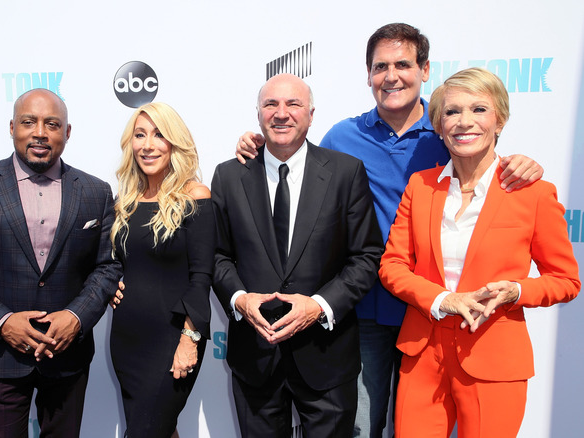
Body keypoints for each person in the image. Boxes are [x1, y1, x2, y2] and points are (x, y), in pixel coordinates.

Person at [234, 23, 544, 437]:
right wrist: (258, 146)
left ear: (425, 70)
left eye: (403, 64)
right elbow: (297, 163)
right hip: (363, 310)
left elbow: (487, 165)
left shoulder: (450, 130)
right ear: (368, 75)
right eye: (381, 67)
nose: (391, 76)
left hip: (437, 313)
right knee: (362, 427)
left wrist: (523, 163)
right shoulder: (344, 137)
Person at [379, 67, 580, 437]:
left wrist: (515, 290)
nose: (464, 121)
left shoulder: (533, 193)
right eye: (452, 112)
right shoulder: (420, 186)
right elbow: (393, 265)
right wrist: (444, 299)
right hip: (422, 355)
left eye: (479, 109)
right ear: (438, 127)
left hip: (494, 356)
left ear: (499, 120)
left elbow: (566, 281)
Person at [0, 88, 122, 436]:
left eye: (52, 124)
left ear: (67, 132)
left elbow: (107, 266)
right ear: (11, 128)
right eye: (28, 122)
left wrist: (76, 317)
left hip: (67, 355)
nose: (40, 133)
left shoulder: (95, 191)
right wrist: (2, 322)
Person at [211, 73, 384, 437]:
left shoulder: (345, 172)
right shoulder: (228, 176)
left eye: (293, 104)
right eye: (270, 104)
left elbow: (366, 256)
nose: (281, 113)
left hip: (326, 355)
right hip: (255, 357)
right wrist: (240, 299)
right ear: (258, 114)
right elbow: (217, 255)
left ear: (311, 114)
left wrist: (319, 305)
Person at [109, 102, 214, 437]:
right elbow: (115, 262)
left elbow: (202, 277)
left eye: (158, 135)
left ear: (174, 143)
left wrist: (190, 337)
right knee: (160, 429)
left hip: (173, 338)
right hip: (128, 339)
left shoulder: (194, 196)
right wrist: (109, 283)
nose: (148, 145)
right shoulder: (125, 201)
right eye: (140, 135)